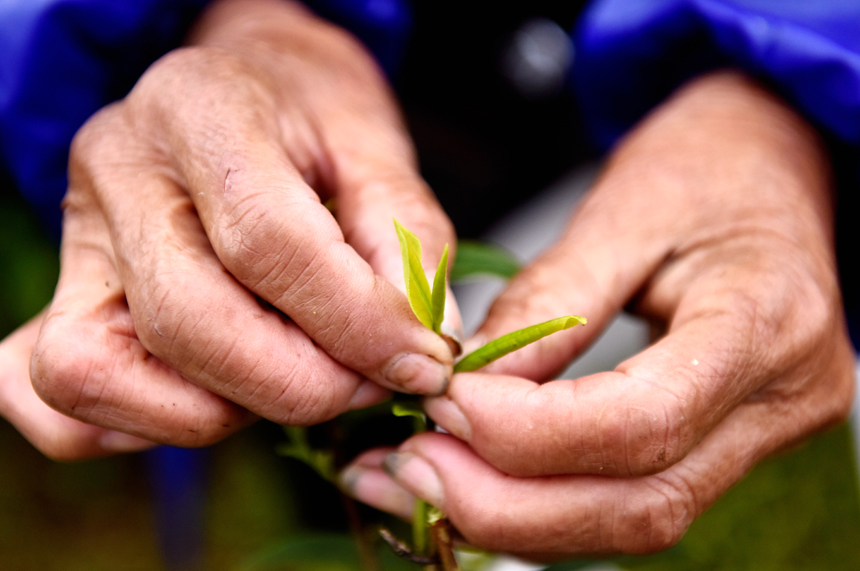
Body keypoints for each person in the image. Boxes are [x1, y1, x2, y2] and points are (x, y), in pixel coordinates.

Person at [0, 0, 857, 559]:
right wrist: (235, 21)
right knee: (338, 425)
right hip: (328, 158)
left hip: (696, 96)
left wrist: (791, 96)